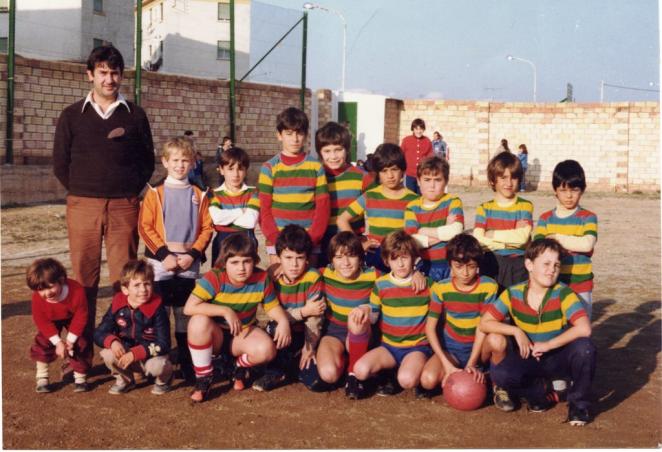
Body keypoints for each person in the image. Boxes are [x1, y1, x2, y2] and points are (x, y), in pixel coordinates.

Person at [53, 46, 154, 366]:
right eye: (103, 72)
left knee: (127, 281)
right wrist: (84, 190)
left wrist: (126, 192)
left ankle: (126, 356)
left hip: (125, 206)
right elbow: (60, 163)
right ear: (90, 75)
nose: (109, 79)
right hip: (82, 205)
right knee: (84, 282)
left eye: (115, 73)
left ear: (122, 76)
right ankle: (81, 359)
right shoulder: (71, 115)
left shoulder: (135, 115)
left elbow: (147, 162)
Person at [479, 238, 596, 426]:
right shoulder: (513, 293)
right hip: (528, 357)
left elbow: (584, 328)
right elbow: (485, 323)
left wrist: (548, 344)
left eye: (556, 265)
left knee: (585, 348)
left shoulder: (563, 293)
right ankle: (541, 393)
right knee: (502, 375)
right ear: (529, 265)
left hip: (556, 356)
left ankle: (578, 406)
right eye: (546, 264)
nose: (552, 270)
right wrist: (515, 331)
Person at [138, 136, 213, 383]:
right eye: (175, 160)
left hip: (188, 263)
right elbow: (145, 226)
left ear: (193, 163)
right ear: (165, 162)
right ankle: (160, 363)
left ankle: (187, 361)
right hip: (161, 263)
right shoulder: (155, 193)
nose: (180, 165)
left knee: (184, 313)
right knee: (159, 312)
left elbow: (207, 228)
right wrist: (164, 255)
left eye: (185, 160)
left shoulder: (199, 193)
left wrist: (193, 254)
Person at [183, 233, 291, 402]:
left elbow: (272, 307)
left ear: (254, 261)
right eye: (234, 262)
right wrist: (225, 311)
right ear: (224, 262)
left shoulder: (261, 278)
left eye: (246, 261)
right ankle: (203, 379)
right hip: (215, 335)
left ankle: (237, 367)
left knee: (267, 350)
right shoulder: (215, 277)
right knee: (197, 321)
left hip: (242, 333)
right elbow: (189, 307)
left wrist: (283, 321)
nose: (241, 268)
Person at [351, 231, 432, 397]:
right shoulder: (381, 284)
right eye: (394, 259)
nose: (400, 264)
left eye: (405, 257)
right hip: (389, 347)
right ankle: (389, 372)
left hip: (416, 347)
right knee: (360, 370)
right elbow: (374, 316)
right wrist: (363, 309)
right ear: (387, 261)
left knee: (406, 380)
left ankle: (421, 368)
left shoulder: (426, 284)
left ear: (413, 258)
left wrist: (419, 272)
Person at [419, 234, 498, 398]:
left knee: (498, 340)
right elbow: (430, 328)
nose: (465, 273)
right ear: (450, 264)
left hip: (479, 349)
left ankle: (492, 377)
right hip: (452, 350)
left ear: (478, 265)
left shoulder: (488, 286)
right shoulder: (441, 288)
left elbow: (483, 327)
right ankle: (451, 372)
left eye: (471, 266)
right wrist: (446, 364)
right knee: (427, 381)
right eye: (459, 266)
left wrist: (472, 363)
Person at [253, 225, 327, 392]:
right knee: (275, 327)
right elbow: (273, 314)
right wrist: (304, 311)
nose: (294, 264)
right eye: (288, 257)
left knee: (315, 382)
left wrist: (309, 347)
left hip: (307, 333)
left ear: (307, 258)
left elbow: (315, 317)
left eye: (299, 258)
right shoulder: (272, 278)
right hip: (280, 331)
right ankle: (274, 371)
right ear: (279, 257)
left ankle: (294, 365)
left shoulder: (313, 277)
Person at [258, 107, 330, 265]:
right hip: (278, 241)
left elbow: (323, 207)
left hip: (309, 241)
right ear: (279, 135)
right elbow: (264, 209)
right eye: (289, 133)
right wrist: (276, 239)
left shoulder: (316, 167)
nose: (295, 139)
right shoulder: (269, 168)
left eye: (299, 133)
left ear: (305, 135)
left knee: (309, 278)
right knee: (279, 277)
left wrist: (312, 239)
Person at [94, 259, 173, 395]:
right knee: (108, 354)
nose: (143, 290)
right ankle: (126, 380)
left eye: (147, 284)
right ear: (125, 289)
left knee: (158, 366)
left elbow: (164, 343)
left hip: (150, 357)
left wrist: (137, 353)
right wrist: (112, 342)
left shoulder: (157, 308)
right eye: (137, 285)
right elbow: (99, 332)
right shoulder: (118, 304)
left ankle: (163, 381)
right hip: (126, 355)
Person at [337, 143, 418, 273]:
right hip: (375, 256)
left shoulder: (414, 200)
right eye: (384, 171)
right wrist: (358, 245)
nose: (390, 175)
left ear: (402, 170)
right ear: (378, 173)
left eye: (394, 169)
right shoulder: (369, 196)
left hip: (400, 258)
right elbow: (342, 219)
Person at [316, 232, 378, 399]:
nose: (345, 263)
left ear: (360, 257)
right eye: (338, 257)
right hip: (334, 331)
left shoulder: (373, 275)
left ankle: (353, 375)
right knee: (329, 374)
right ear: (331, 260)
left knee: (356, 318)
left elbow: (398, 278)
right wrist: (275, 268)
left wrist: (416, 274)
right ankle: (346, 360)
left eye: (351, 256)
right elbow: (300, 272)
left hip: (361, 330)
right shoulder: (324, 273)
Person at [533, 160, 597, 319]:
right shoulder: (545, 219)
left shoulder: (588, 217)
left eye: (574, 190)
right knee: (555, 325)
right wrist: (573, 242)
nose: (569, 196)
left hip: (581, 285)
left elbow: (587, 244)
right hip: (552, 284)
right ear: (555, 190)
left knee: (581, 325)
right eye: (563, 190)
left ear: (582, 190)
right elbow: (539, 248)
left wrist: (555, 238)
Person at [26, 258, 90, 393]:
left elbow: (81, 316)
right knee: (43, 341)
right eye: (41, 290)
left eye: (50, 287)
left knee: (80, 343)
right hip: (50, 320)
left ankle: (80, 379)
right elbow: (41, 321)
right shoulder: (37, 298)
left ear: (61, 280)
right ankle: (42, 378)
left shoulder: (76, 290)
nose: (47, 293)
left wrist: (70, 340)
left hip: (73, 317)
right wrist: (58, 342)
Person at [316, 121, 375, 267]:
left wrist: (366, 240)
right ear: (320, 152)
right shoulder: (316, 176)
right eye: (327, 151)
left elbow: (378, 209)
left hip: (353, 242)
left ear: (347, 149)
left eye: (338, 150)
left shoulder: (362, 177)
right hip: (323, 243)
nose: (333, 156)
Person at [473, 151, 533, 292]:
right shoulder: (484, 208)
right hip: (492, 263)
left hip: (518, 266)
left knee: (517, 303)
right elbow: (479, 240)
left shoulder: (525, 206)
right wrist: (511, 239)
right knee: (493, 303)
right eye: (503, 177)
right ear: (493, 180)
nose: (509, 183)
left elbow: (522, 239)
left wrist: (492, 234)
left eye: (514, 177)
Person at [404, 156, 464, 281]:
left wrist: (423, 231)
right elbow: (411, 242)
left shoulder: (453, 201)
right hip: (426, 266)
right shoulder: (412, 207)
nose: (432, 185)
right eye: (427, 180)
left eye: (437, 180)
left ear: (446, 181)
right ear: (418, 181)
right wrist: (445, 231)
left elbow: (456, 231)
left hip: (453, 267)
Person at [208, 146, 260, 266]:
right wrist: (241, 211)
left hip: (247, 241)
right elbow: (217, 218)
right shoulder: (214, 193)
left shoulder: (253, 192)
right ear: (221, 170)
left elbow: (250, 221)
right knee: (220, 275)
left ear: (246, 170)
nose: (235, 174)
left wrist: (226, 219)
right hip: (222, 243)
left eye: (240, 169)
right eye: (230, 169)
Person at [400, 118, 433, 194]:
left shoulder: (427, 141)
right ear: (413, 129)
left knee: (421, 195)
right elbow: (401, 156)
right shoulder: (406, 140)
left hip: (422, 175)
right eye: (416, 129)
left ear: (423, 129)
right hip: (409, 174)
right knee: (410, 194)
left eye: (421, 129)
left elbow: (430, 158)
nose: (419, 131)